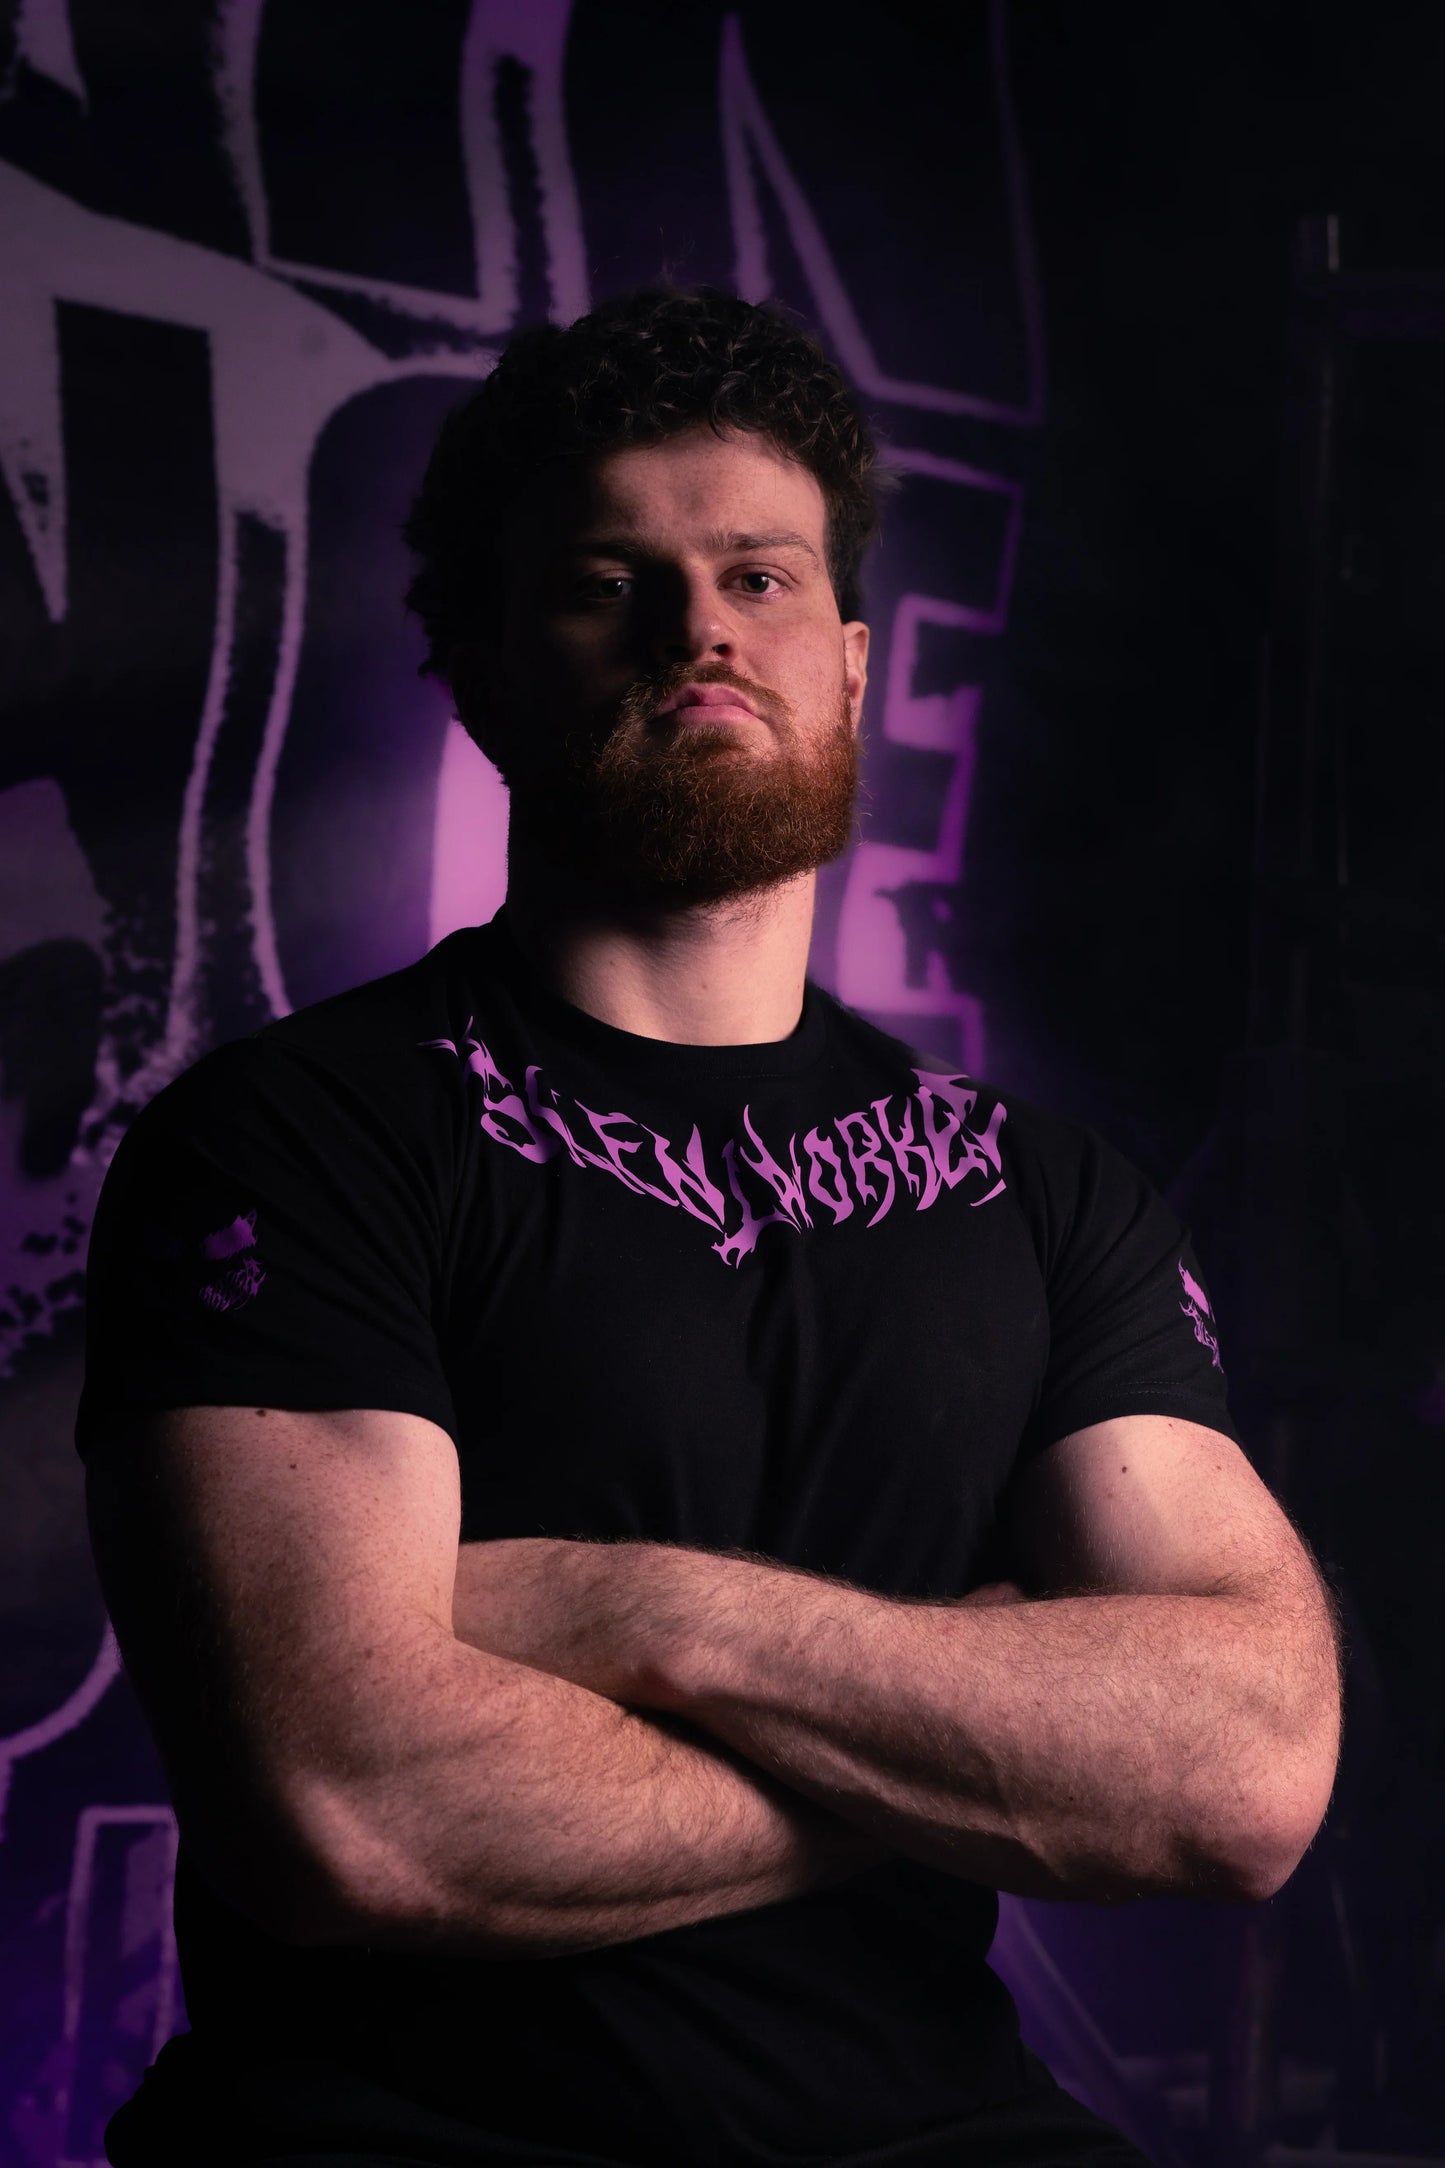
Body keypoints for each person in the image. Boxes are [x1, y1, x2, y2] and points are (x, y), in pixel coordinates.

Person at [78, 285, 1343, 2168]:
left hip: (943, 2133)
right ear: (479, 673)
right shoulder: (300, 1139)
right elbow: (353, 1806)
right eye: (610, 584)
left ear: (849, 661)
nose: (698, 631)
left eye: (758, 577)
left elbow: (1239, 1770)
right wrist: (972, 1749)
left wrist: (632, 1614)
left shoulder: (1037, 1192)